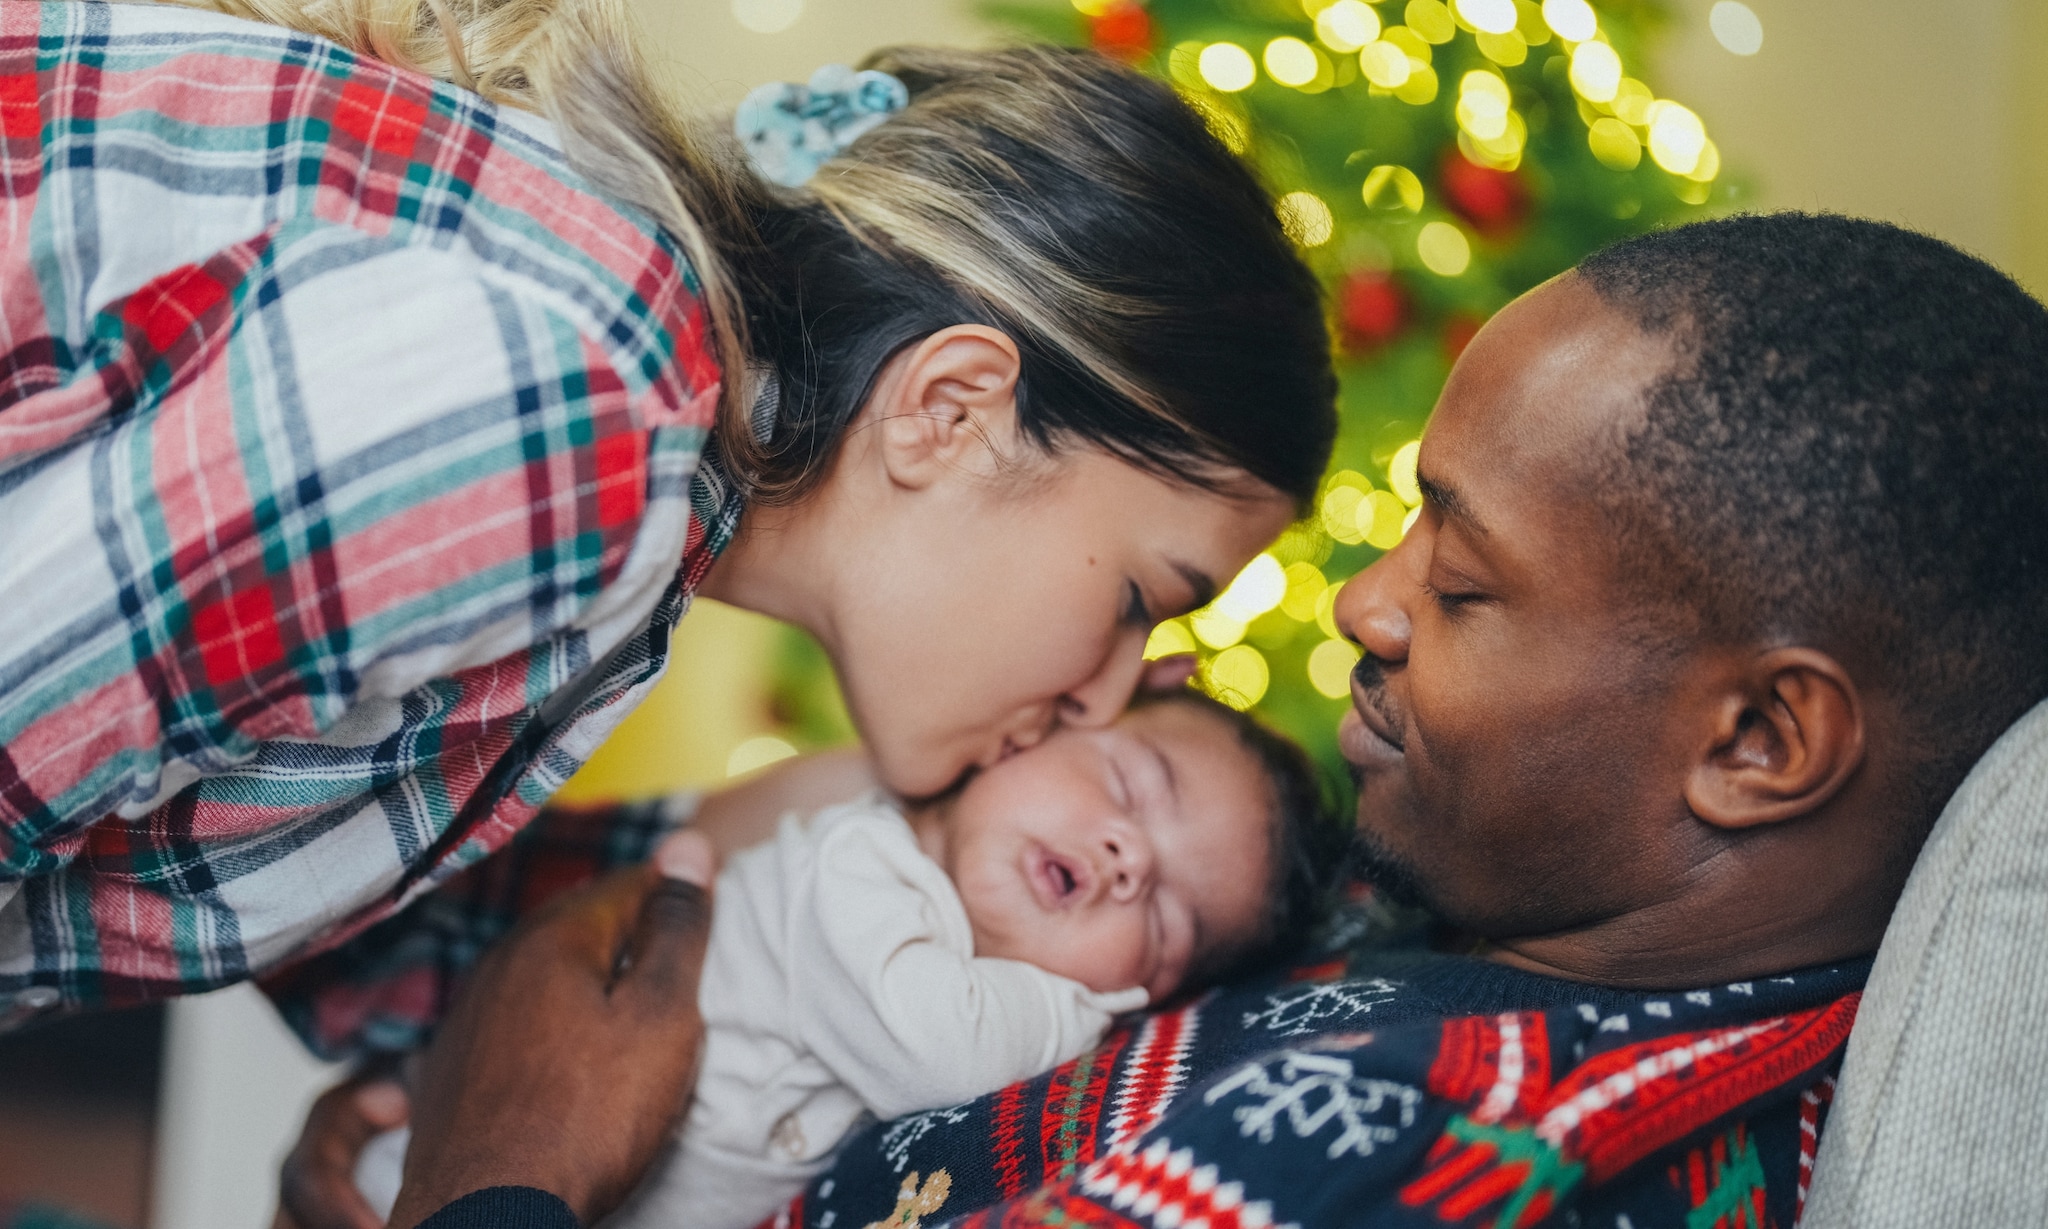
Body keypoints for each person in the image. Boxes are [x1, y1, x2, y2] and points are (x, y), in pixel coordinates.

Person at [280, 212, 2048, 1228]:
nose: (1366, 599)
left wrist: (496, 1176)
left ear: (1756, 743)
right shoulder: (1446, 901)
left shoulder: (1476, 1154)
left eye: (1463, 581)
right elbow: (437, 932)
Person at [0, 0, 1332, 1069]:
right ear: (954, 410)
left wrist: (860, 824)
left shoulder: (637, 519)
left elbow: (331, 934)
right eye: (1146, 600)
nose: (1106, 696)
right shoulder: (570, 423)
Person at [352, 692, 1346, 1229]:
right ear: (1020, 739)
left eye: (1166, 921)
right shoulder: (853, 866)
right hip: (424, 1175)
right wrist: (1089, 1010)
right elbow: (939, 1057)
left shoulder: (964, 966)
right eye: (1127, 780)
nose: (1129, 857)